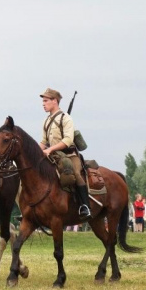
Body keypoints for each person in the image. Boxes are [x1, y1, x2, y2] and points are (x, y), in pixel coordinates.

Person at [38, 88, 91, 220]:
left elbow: (67, 140)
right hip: (54, 155)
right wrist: (36, 152)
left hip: (69, 155)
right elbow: (44, 142)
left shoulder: (66, 118)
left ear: (54, 101)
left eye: (45, 101)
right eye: (43, 101)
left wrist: (50, 149)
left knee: (76, 174)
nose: (43, 104)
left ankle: (85, 206)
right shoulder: (46, 121)